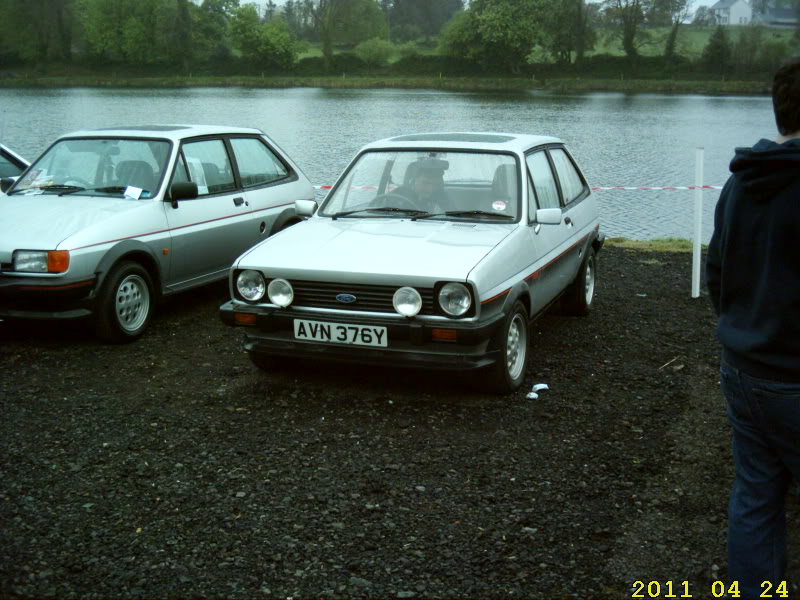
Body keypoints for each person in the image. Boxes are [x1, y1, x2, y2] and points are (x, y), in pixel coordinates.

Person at [706, 57, 800, 600]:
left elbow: (718, 272)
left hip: (743, 369)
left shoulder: (742, 183)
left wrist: (742, 327)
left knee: (757, 498)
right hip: (796, 377)